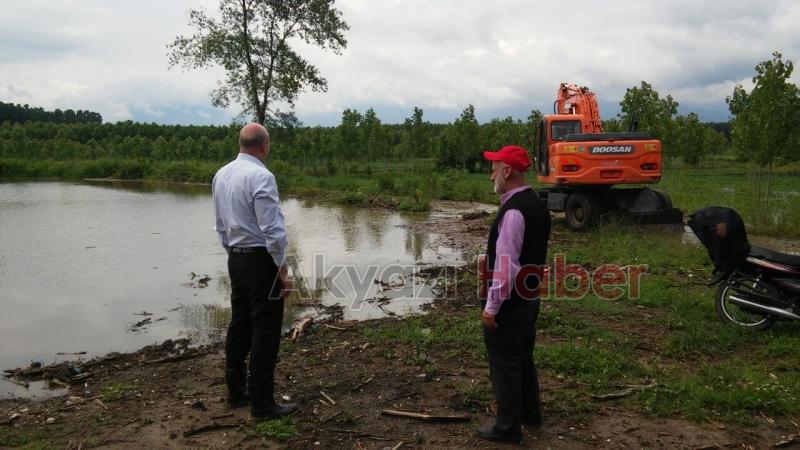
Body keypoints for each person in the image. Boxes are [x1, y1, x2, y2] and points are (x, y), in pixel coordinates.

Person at [212, 123, 296, 420]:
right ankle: (262, 404)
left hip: (236, 258)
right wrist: (282, 269)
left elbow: (221, 226)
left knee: (240, 324)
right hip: (261, 261)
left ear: (241, 143)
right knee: (265, 330)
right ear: (265, 145)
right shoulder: (262, 176)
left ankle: (236, 392)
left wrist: (233, 253)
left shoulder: (221, 174)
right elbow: (272, 230)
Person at [475, 145, 551, 444]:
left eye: (494, 167)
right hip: (529, 299)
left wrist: (492, 308)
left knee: (504, 363)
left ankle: (508, 428)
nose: (490, 174)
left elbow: (505, 268)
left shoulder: (514, 211)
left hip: (510, 303)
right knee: (522, 358)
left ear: (507, 171)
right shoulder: (536, 204)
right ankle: (530, 415)